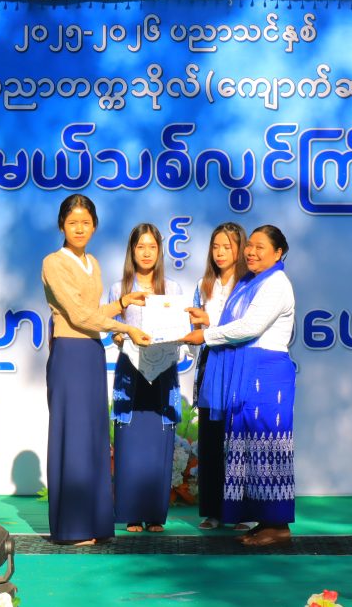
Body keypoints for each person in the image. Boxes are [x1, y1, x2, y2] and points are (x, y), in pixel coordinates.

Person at [41, 194, 151, 545]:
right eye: (73, 222)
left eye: (86, 223)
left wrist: (121, 304)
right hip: (69, 352)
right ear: (62, 225)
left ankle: (97, 522)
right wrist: (126, 327)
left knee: (93, 437)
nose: (79, 229)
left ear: (94, 226)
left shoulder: (94, 263)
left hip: (91, 351)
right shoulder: (54, 262)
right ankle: (72, 528)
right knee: (74, 436)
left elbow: (93, 313)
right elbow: (76, 315)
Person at [182, 225, 296, 547]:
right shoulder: (251, 283)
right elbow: (235, 325)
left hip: (267, 374)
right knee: (251, 451)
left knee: (269, 448)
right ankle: (264, 521)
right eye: (251, 246)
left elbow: (250, 327)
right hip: (250, 373)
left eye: (261, 247)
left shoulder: (276, 283)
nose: (252, 252)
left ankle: (278, 525)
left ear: (278, 253)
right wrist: (209, 325)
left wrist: (206, 335)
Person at [108, 223, 183, 533]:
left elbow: (180, 328)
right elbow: (112, 328)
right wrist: (119, 337)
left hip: (163, 371)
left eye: (152, 246)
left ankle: (154, 515)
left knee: (157, 445)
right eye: (141, 246)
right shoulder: (119, 289)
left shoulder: (173, 289)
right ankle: (130, 513)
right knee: (130, 442)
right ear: (132, 251)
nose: (147, 252)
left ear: (160, 251)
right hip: (131, 370)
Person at [191, 222, 248, 531]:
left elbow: (244, 327)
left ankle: (239, 511)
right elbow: (197, 330)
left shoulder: (249, 284)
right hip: (211, 364)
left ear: (240, 249)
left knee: (238, 439)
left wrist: (209, 323)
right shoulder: (204, 284)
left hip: (238, 363)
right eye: (216, 247)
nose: (220, 252)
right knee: (211, 439)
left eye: (227, 247)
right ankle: (212, 511)